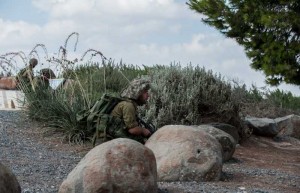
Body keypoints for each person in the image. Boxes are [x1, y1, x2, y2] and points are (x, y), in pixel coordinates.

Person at [108, 78, 152, 144]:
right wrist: (143, 131)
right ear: (138, 93)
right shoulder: (128, 105)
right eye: (145, 92)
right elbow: (132, 130)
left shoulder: (129, 103)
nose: (148, 95)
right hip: (112, 137)